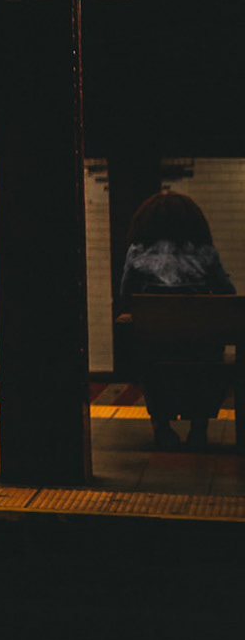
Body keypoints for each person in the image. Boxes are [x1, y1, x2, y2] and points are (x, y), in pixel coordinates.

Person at [118, 189, 235, 450]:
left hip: (156, 348)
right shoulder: (205, 253)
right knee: (206, 364)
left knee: (151, 366)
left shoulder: (136, 252)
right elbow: (229, 292)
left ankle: (162, 427)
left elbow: (125, 294)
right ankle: (198, 428)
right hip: (200, 348)